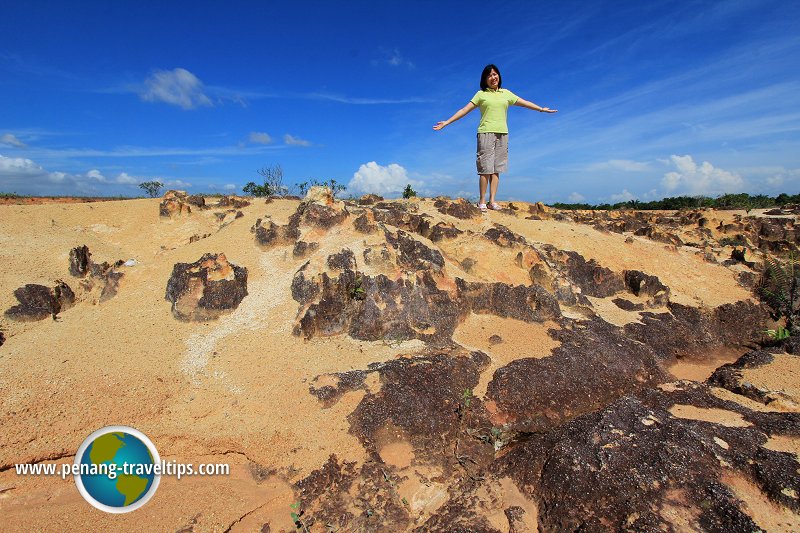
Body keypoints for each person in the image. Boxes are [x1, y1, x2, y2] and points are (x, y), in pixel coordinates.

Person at [433, 64, 557, 211]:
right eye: (489, 75)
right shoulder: (481, 94)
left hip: (503, 133)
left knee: (497, 168)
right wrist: (447, 122)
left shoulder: (506, 93)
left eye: (495, 74)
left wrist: (541, 109)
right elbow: (464, 110)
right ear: (485, 79)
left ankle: (492, 201)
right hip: (485, 133)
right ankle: (482, 201)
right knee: (485, 168)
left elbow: (524, 103)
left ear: (499, 75)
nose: (493, 77)